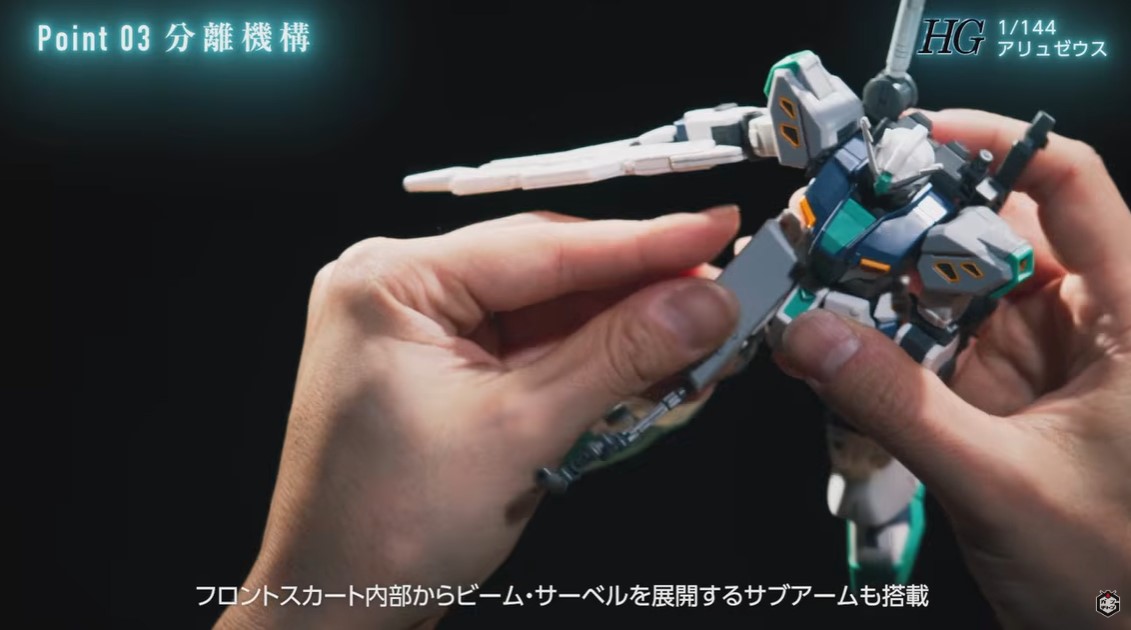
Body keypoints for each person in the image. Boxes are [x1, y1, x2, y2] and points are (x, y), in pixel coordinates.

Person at [215, 109, 1131, 630]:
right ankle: (603, 440)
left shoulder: (949, 210)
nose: (886, 170)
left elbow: (987, 269)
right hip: (782, 273)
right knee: (688, 366)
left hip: (889, 331)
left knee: (871, 476)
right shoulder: (844, 157)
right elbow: (696, 139)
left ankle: (876, 564)